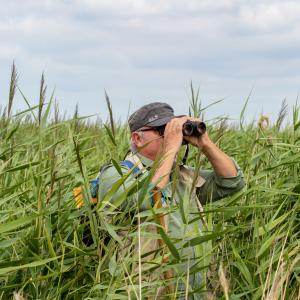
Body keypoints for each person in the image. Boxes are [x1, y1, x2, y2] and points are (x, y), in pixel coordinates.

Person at [98, 102, 245, 298]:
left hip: (195, 288)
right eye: (162, 130)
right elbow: (150, 197)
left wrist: (205, 144)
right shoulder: (117, 175)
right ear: (137, 138)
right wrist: (170, 149)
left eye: (172, 129)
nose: (171, 135)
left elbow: (232, 182)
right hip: (148, 290)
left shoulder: (182, 177)